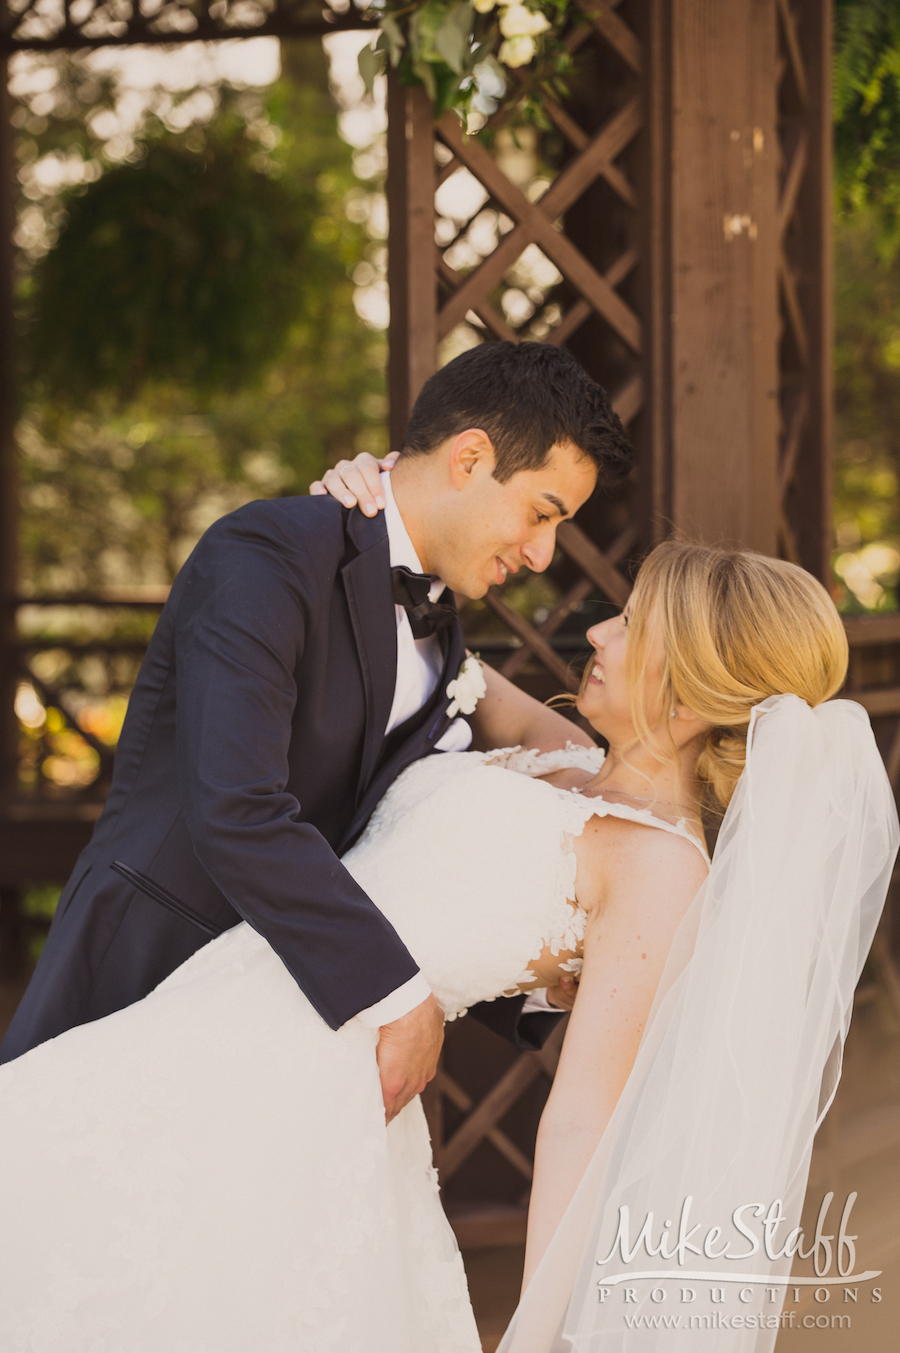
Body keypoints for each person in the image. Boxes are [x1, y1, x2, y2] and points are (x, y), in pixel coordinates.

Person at [0, 536, 893, 1353]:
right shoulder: (561, 753)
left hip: (303, 1101)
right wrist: (361, 512)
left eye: (631, 624)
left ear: (692, 695)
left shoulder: (662, 873)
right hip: (203, 1023)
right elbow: (418, 634)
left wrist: (544, 1331)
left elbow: (585, 1116)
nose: (596, 627)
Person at [0, 341, 632, 1134]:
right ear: (471, 458)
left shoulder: (445, 634)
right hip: (147, 976)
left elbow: (424, 837)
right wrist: (396, 990)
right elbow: (235, 807)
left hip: (277, 1023)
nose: (541, 552)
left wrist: (552, 969)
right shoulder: (269, 554)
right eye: (542, 513)